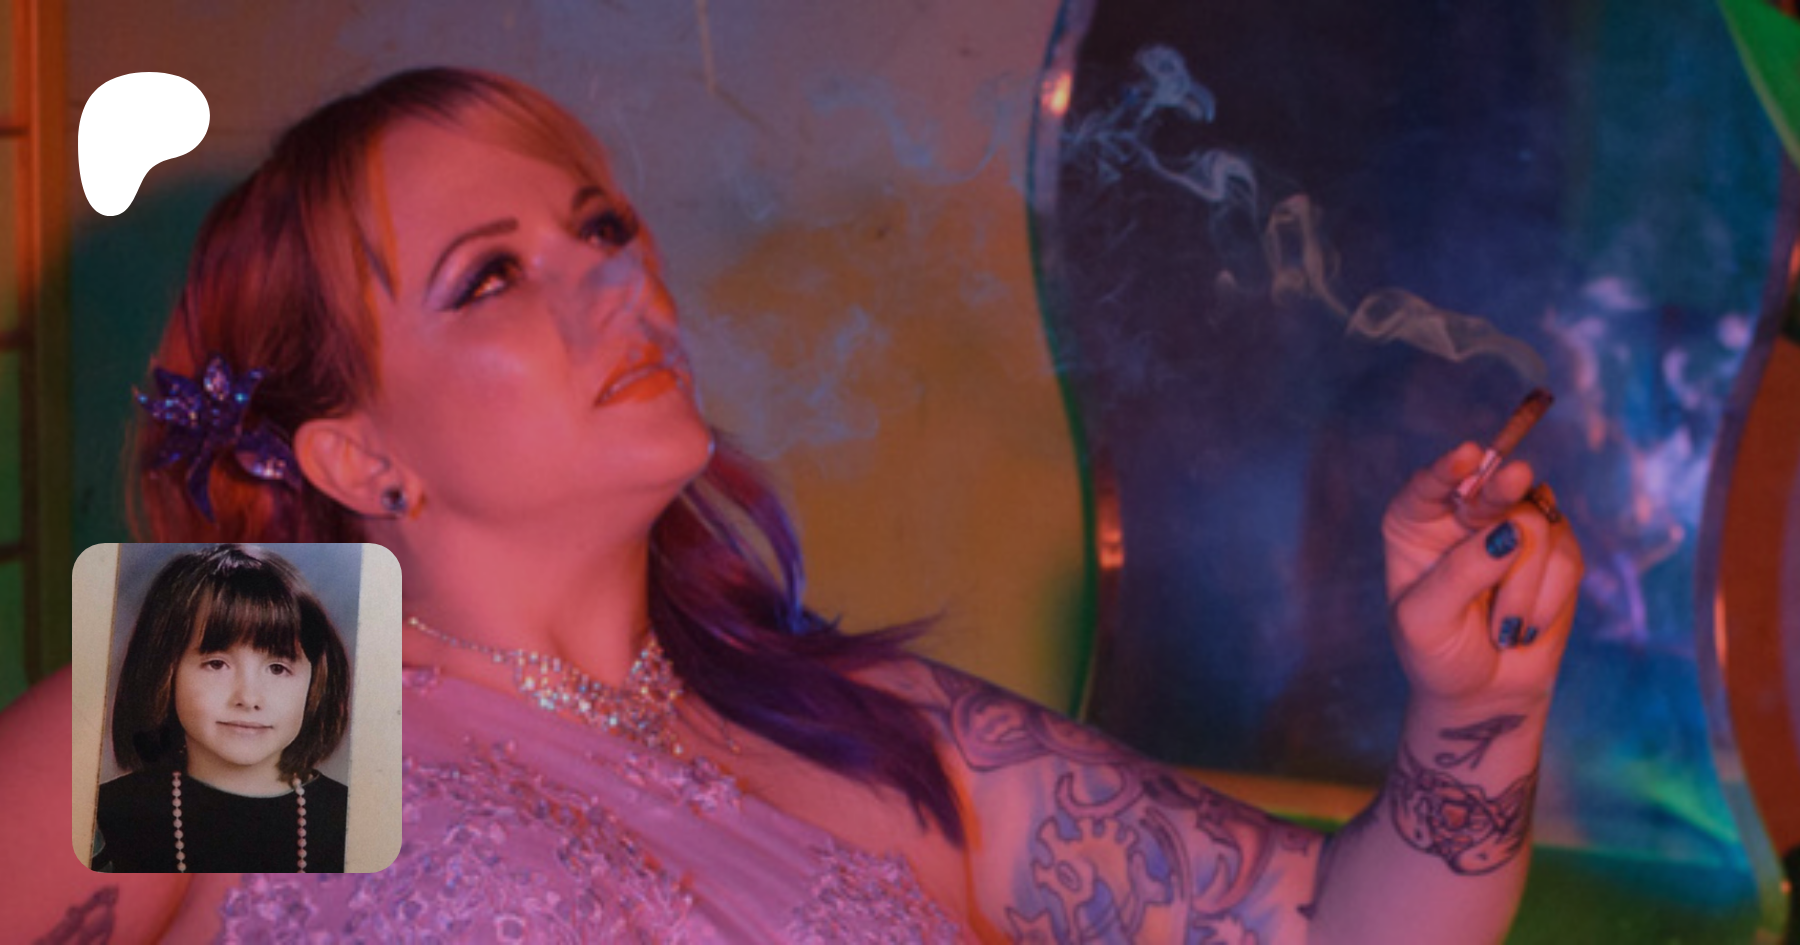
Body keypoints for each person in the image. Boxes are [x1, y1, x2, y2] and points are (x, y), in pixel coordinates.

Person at [2, 67, 1581, 942]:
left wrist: (1477, 712)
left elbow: (1338, 930)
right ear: (359, 457)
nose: (617, 279)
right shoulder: (263, 688)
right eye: (492, 276)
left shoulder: (867, 729)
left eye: (601, 226)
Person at [94, 544, 352, 874]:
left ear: (315, 682)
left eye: (277, 668)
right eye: (216, 664)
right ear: (164, 670)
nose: (249, 698)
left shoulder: (351, 820)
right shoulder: (107, 816)